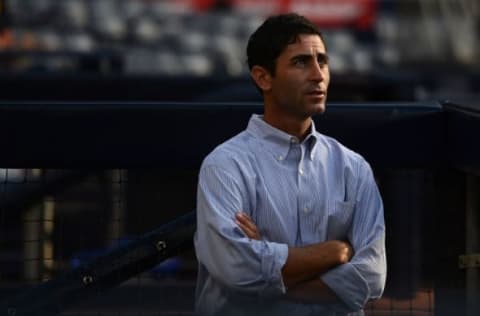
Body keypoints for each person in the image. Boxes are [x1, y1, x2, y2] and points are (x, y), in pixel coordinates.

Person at [194, 13, 386, 316]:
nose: (318, 75)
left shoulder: (354, 166)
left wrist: (269, 272)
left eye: (322, 61)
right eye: (300, 62)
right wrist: (334, 252)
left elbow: (371, 279)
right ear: (263, 77)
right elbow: (236, 271)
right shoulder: (224, 165)